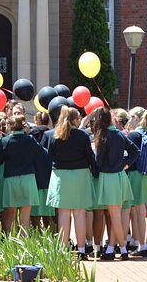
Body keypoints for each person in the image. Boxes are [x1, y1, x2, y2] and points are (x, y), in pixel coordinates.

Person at [46, 106, 96, 260]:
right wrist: (95, 172)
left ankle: (63, 250)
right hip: (80, 175)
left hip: (61, 176)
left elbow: (50, 155)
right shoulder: (82, 136)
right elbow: (90, 157)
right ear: (75, 119)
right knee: (80, 213)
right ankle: (81, 250)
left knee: (63, 214)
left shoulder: (55, 135)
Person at [91, 106, 138, 260]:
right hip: (120, 176)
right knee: (115, 215)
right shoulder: (119, 134)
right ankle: (111, 249)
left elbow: (98, 161)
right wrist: (125, 164)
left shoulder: (103, 136)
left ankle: (123, 249)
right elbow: (135, 151)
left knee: (115, 216)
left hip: (109, 177)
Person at [0, 114, 41, 233]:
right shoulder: (30, 140)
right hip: (28, 178)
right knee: (25, 218)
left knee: (9, 215)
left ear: (10, 126)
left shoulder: (5, 141)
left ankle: (7, 242)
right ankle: (24, 244)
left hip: (11, 180)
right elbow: (38, 154)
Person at [126, 107, 147, 257]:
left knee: (139, 211)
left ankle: (140, 245)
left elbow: (128, 155)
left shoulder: (133, 135)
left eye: (131, 116)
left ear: (138, 117)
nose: (129, 119)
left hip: (136, 174)